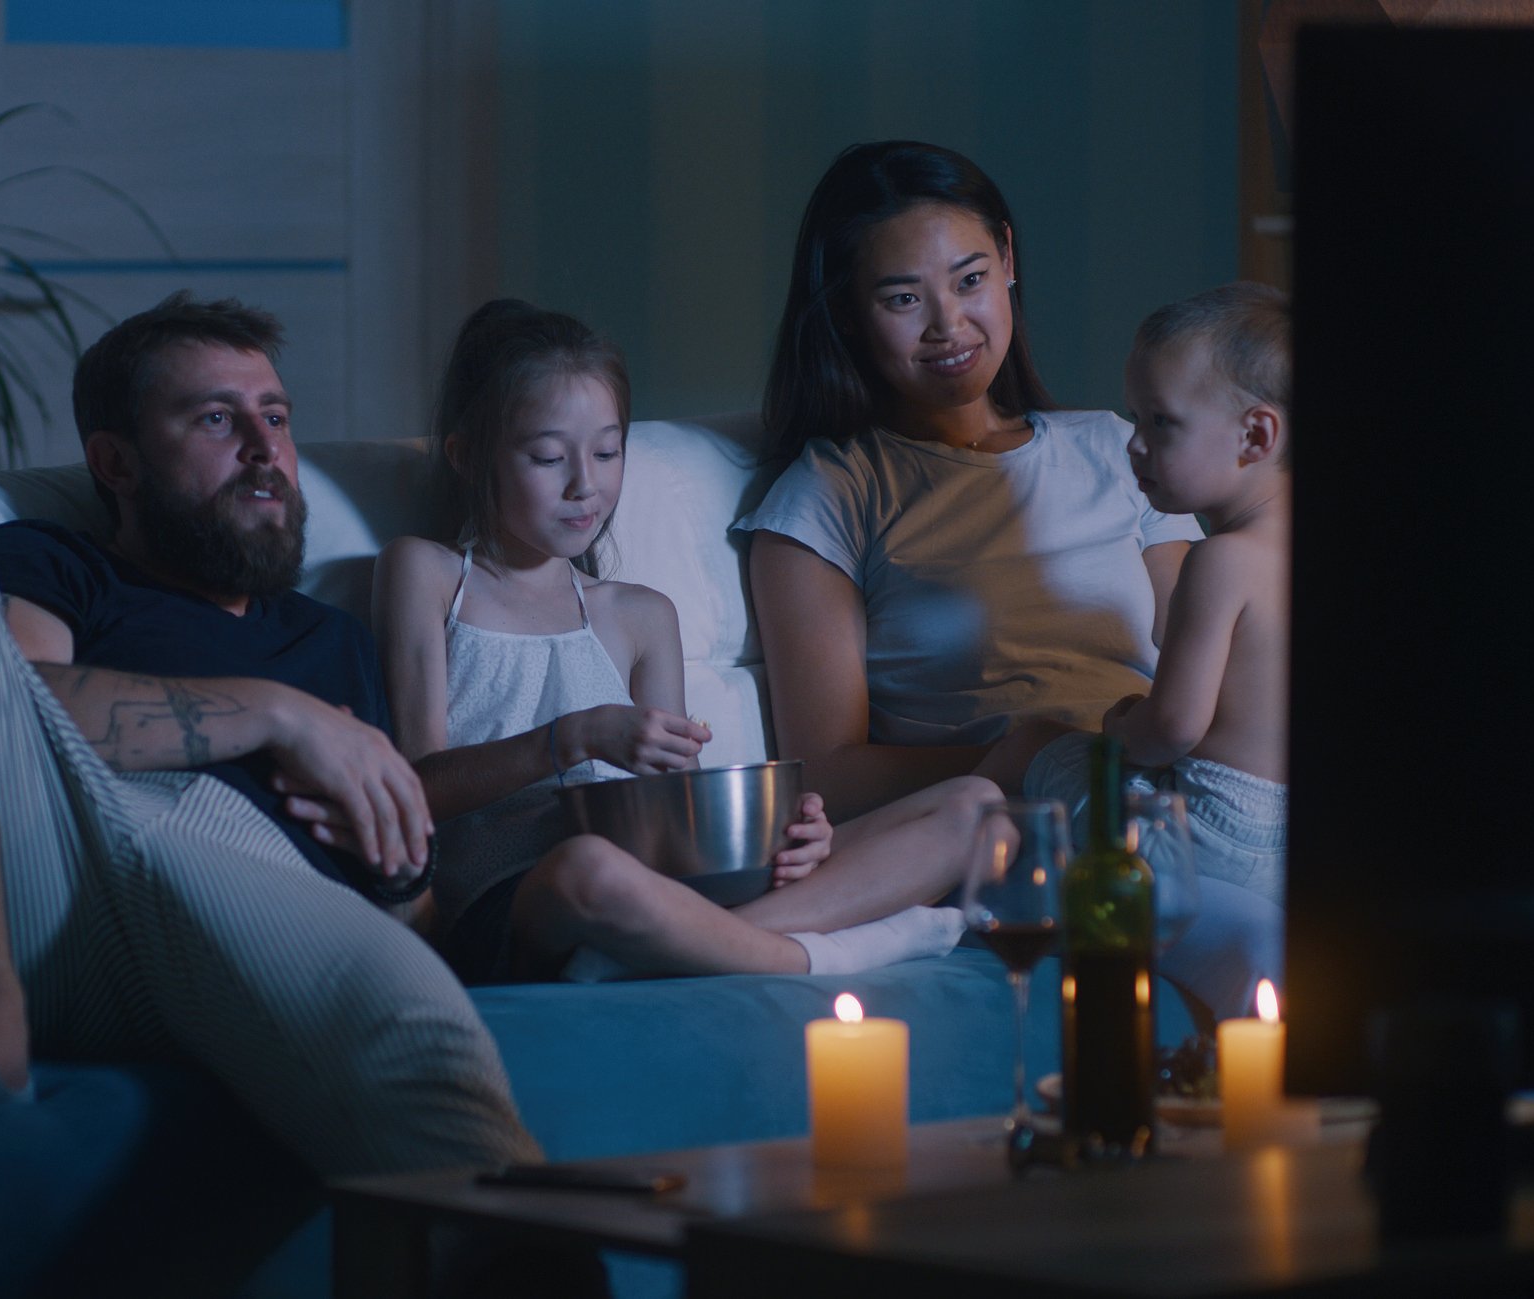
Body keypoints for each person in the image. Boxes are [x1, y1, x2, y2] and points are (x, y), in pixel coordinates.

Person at [0, 291, 539, 1176]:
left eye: (275, 416)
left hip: (261, 914)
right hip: (56, 878)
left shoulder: (333, 639)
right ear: (115, 461)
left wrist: (402, 872)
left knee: (444, 1082)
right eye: (216, 417)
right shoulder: (57, 564)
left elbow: (412, 916)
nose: (264, 448)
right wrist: (279, 715)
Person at [373, 298, 993, 985]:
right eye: (547, 456)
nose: (586, 484)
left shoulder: (639, 615)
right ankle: (831, 948)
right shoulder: (427, 575)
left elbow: (672, 813)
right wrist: (568, 740)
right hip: (515, 898)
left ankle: (662, 948)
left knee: (974, 807)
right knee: (588, 867)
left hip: (652, 881)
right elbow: (415, 788)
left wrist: (784, 837)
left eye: (607, 451)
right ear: (466, 455)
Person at [737, 140, 1203, 821]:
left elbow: (1208, 657)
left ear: (1007, 260)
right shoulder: (831, 495)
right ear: (845, 312)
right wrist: (1045, 760)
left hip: (1169, 806)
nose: (947, 325)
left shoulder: (1117, 448)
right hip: (995, 829)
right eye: (902, 298)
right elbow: (827, 775)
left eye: (969, 280)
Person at [1024, 282, 1293, 1015]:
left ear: (1255, 436)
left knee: (1048, 757)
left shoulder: (1221, 561)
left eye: (1160, 424)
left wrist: (1117, 728)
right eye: (1134, 418)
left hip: (1215, 833)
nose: (1133, 443)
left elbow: (1174, 726)